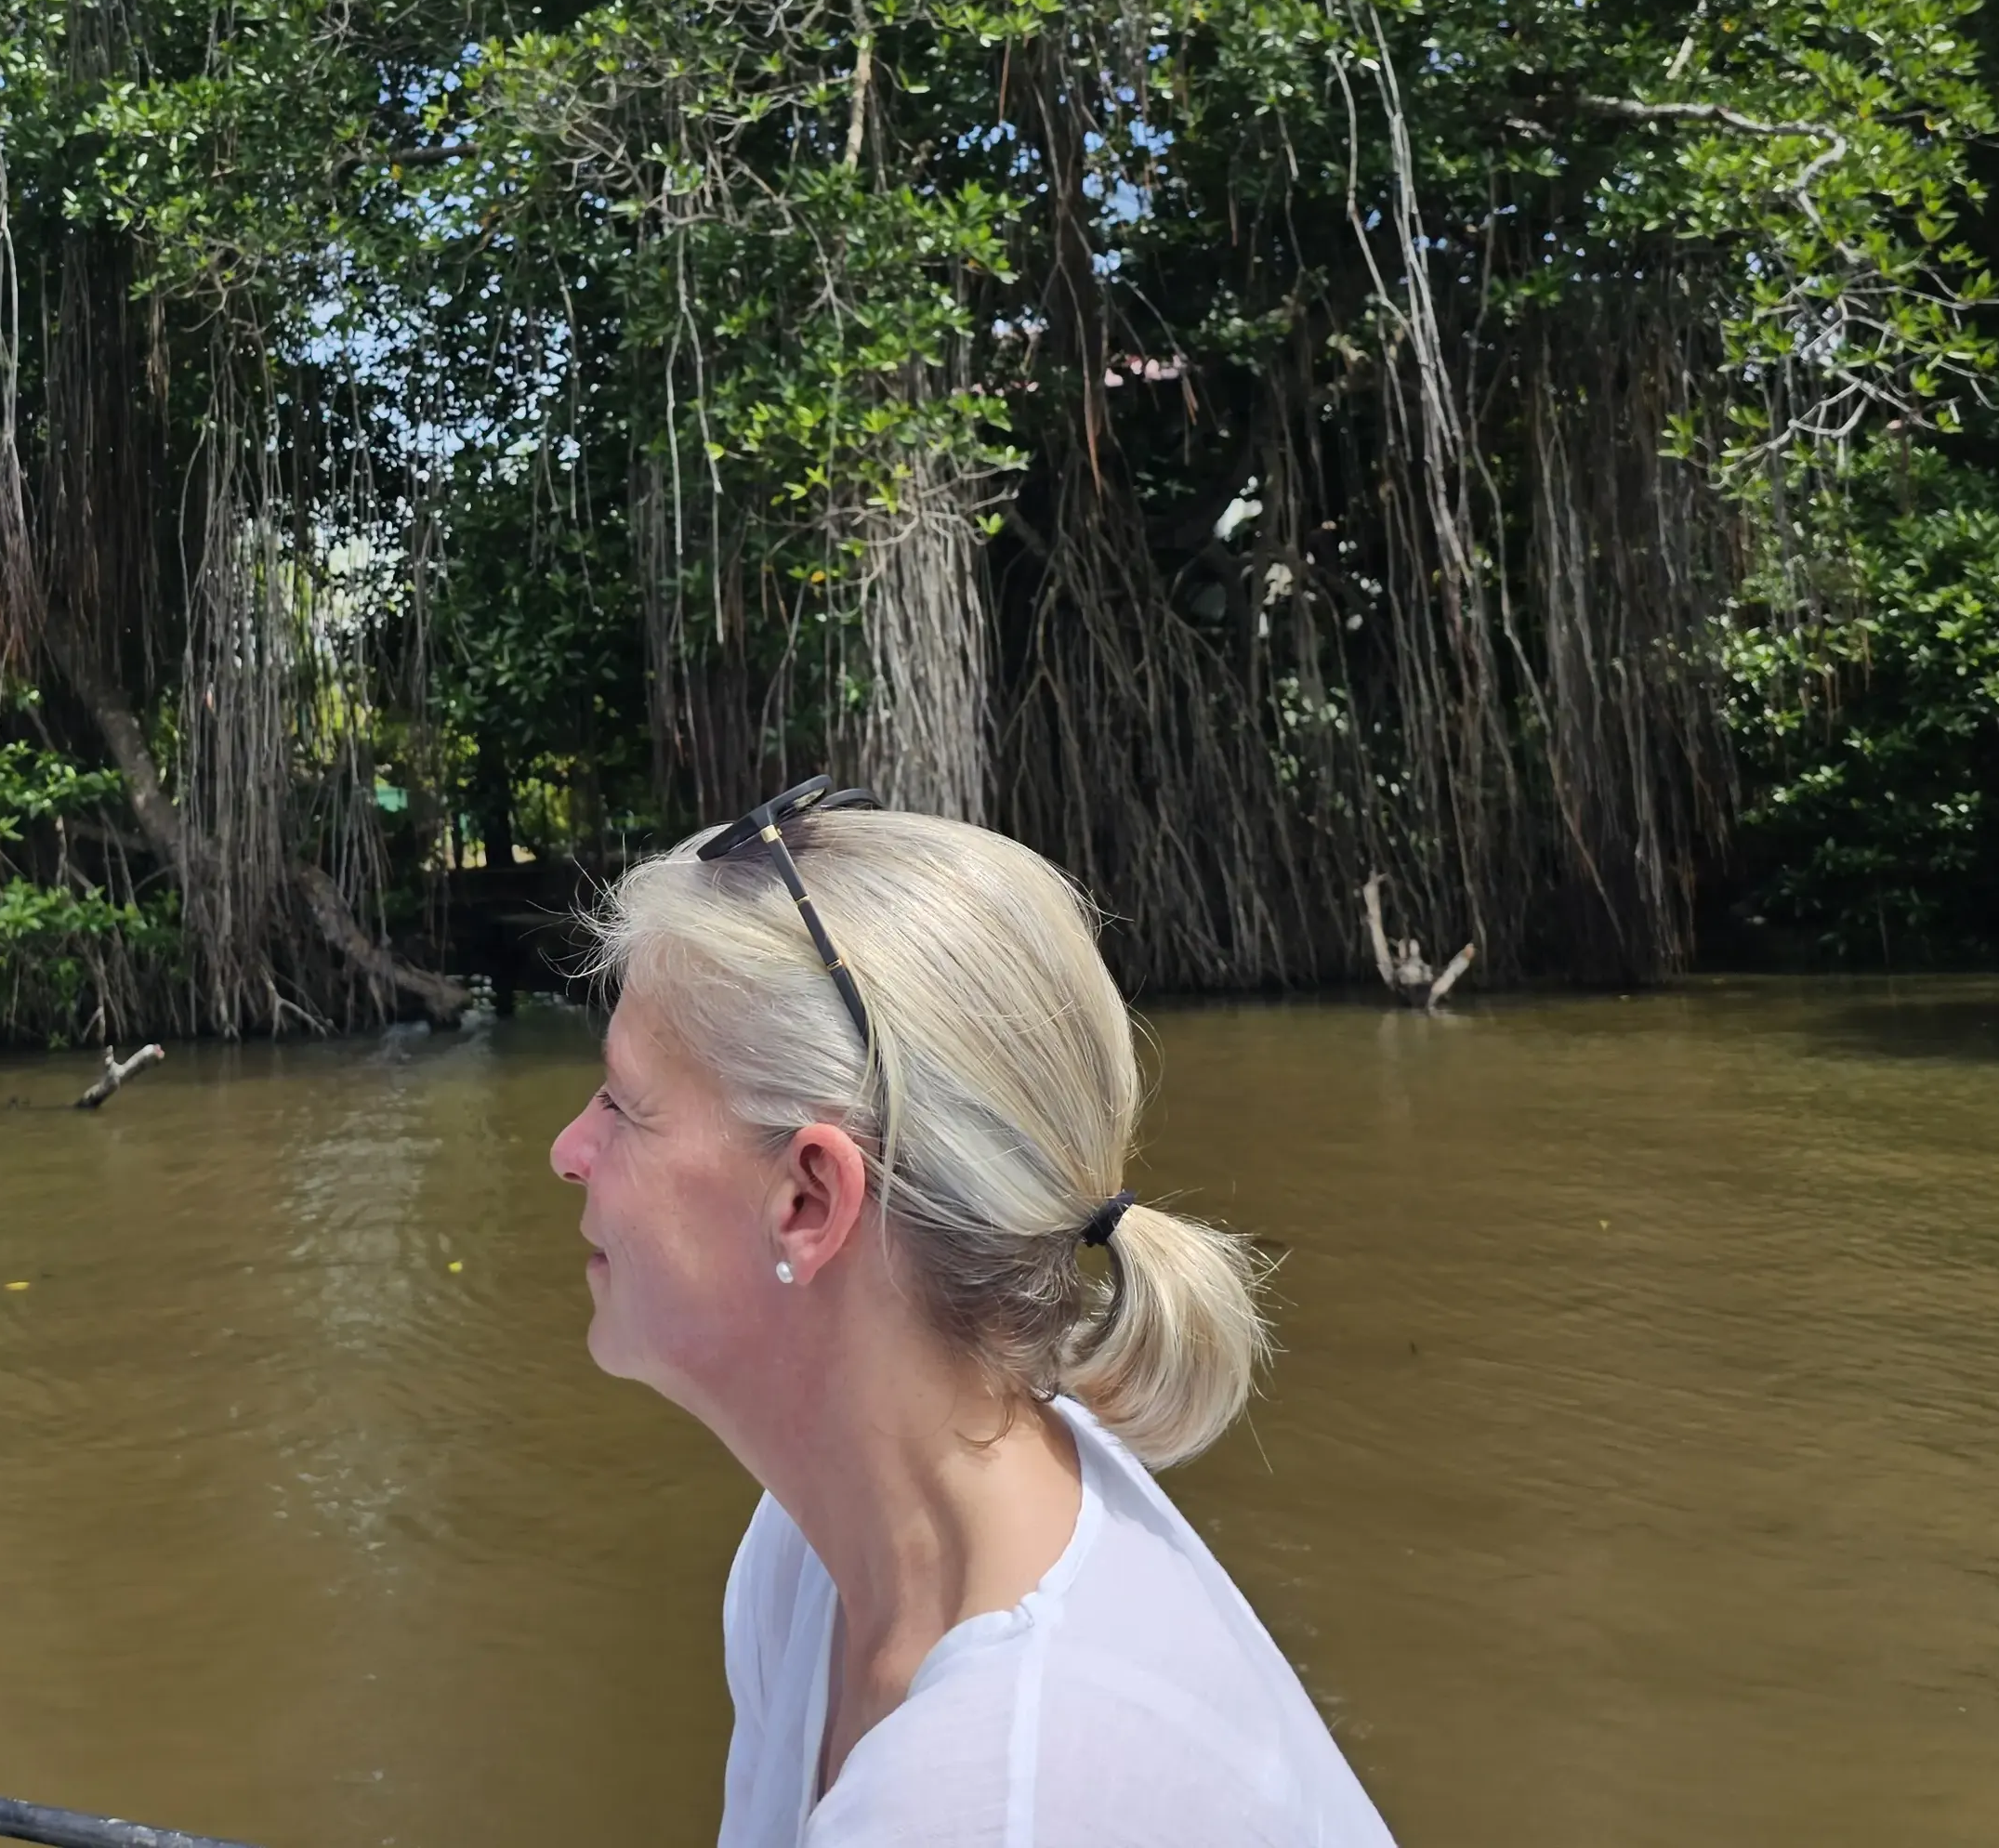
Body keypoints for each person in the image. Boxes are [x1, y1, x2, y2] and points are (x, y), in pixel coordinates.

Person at [548, 779, 1396, 1847]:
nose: (569, 1150)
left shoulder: (997, 1798)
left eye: (624, 1104)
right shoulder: (811, 1553)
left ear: (807, 1201)